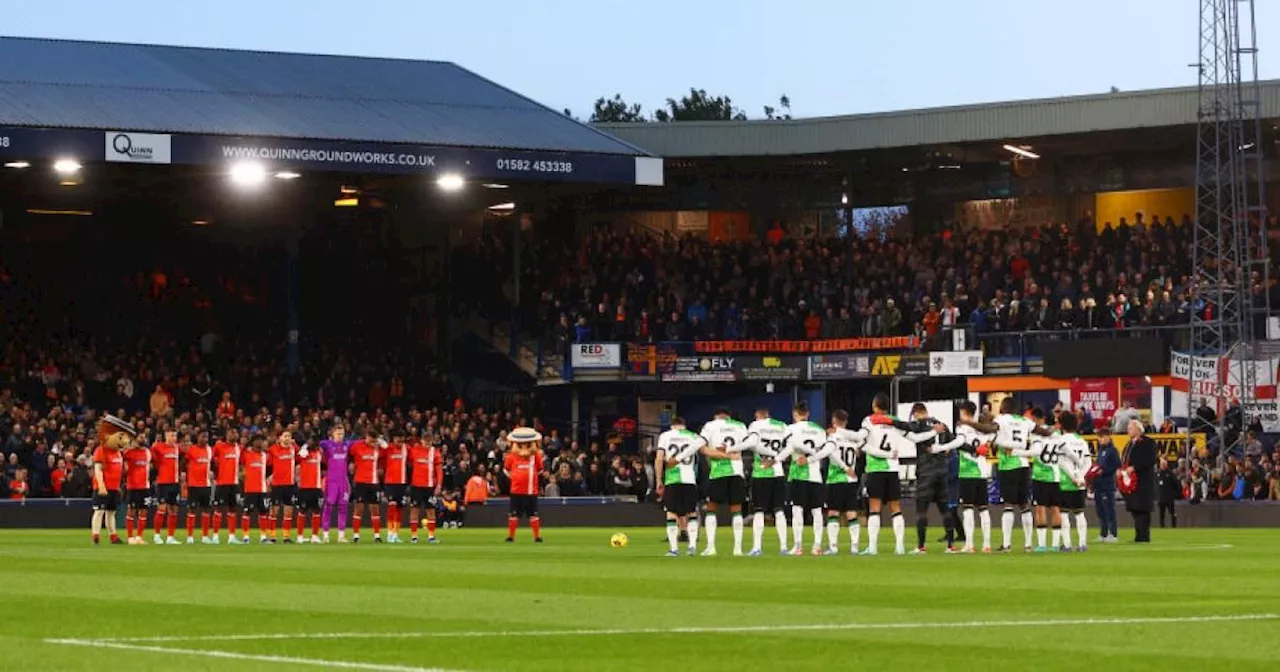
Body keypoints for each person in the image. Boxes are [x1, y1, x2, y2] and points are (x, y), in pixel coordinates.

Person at [964, 398, 1051, 552]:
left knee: (1008, 504)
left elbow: (989, 430)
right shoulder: (1025, 421)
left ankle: (1006, 544)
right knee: (1024, 505)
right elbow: (1043, 432)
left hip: (1008, 465)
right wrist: (1051, 431)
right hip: (1024, 464)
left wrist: (969, 423)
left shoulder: (1002, 419)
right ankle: (1028, 544)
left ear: (1003, 408)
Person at [860, 393, 942, 555]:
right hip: (893, 469)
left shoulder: (868, 420)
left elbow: (861, 441)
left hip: (875, 469)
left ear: (874, 406)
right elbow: (916, 438)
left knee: (874, 507)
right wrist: (934, 432)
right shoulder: (895, 421)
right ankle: (899, 546)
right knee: (895, 508)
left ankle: (873, 547)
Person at [698, 408, 749, 556]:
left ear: (716, 416)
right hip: (736, 471)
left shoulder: (710, 426)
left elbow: (703, 449)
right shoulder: (740, 426)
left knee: (711, 508)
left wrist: (721, 455)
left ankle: (711, 547)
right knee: (736, 509)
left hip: (718, 472)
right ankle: (738, 549)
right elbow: (747, 445)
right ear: (729, 416)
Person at [781, 401, 829, 555]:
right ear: (808, 414)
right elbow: (823, 451)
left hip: (798, 474)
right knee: (817, 511)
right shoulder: (820, 430)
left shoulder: (790, 429)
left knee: (797, 510)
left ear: (795, 414)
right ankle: (817, 546)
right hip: (816, 475)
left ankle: (798, 546)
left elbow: (787, 448)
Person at [907, 402, 954, 553]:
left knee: (922, 510)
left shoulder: (918, 424)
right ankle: (950, 545)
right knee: (945, 509)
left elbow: (909, 432)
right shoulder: (942, 424)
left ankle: (921, 546)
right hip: (942, 471)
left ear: (915, 413)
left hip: (925, 471)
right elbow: (951, 445)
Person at [656, 418, 703, 556]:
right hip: (689, 480)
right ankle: (692, 547)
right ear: (684, 425)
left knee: (671, 513)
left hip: (672, 480)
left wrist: (659, 480)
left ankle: (674, 549)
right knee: (691, 513)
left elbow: (659, 459)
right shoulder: (693, 436)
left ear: (672, 426)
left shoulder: (665, 436)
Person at [953, 402, 995, 553]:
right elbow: (992, 435)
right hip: (982, 472)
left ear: (964, 411)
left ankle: (969, 545)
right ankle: (987, 545)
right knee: (983, 509)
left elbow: (960, 444)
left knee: (968, 509)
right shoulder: (982, 429)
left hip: (967, 472)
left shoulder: (962, 428)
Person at [822, 410, 865, 555]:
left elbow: (832, 455)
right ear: (845, 422)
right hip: (852, 480)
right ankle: (854, 546)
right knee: (851, 512)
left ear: (834, 420)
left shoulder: (832, 437)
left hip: (836, 479)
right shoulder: (852, 439)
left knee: (833, 512)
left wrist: (844, 468)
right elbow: (860, 446)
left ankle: (833, 547)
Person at [91, 415, 136, 545]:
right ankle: (96, 535)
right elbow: (98, 470)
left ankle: (113, 536)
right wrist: (101, 486)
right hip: (103, 488)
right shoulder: (101, 451)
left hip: (114, 488)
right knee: (99, 511)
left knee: (111, 512)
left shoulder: (118, 453)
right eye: (121, 437)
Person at [1054, 413, 1092, 551]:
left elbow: (1062, 462)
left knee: (1064, 513)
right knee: (1079, 513)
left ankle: (1067, 544)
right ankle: (1082, 544)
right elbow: (1088, 462)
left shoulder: (1061, 440)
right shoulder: (1082, 441)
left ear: (1062, 425)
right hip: (1080, 483)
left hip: (1065, 482)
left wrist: (1073, 477)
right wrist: (1080, 477)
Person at [503, 427, 545, 543]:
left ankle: (537, 537)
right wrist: (513, 476)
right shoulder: (511, 456)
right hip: (516, 490)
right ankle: (511, 536)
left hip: (531, 490)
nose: (524, 445)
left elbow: (540, 470)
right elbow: (505, 470)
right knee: (514, 515)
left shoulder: (536, 455)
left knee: (533, 515)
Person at [1123, 420, 1158, 543]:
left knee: (1143, 509)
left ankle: (1144, 536)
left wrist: (1135, 467)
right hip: (1131, 482)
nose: (1128, 430)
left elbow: (1150, 459)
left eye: (1130, 427)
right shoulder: (1129, 444)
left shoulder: (1148, 442)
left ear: (1138, 429)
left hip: (1143, 481)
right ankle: (1138, 535)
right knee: (1135, 508)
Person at [319, 426, 355, 543]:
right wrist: (304, 447)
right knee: (328, 507)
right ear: (332, 434)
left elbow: (359, 443)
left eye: (342, 434)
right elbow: (314, 443)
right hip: (331, 481)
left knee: (343, 507)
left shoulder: (346, 445)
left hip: (343, 481)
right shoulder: (327, 444)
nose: (340, 436)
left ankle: (341, 536)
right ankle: (325, 535)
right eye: (338, 434)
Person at [349, 430, 384, 543]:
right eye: (371, 440)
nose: (372, 443)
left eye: (374, 441)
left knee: (375, 509)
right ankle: (356, 535)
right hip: (360, 482)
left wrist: (382, 442)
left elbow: (388, 452)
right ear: (366, 437)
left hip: (374, 482)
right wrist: (351, 465)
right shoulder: (356, 446)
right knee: (359, 508)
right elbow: (348, 454)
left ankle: (377, 535)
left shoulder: (378, 448)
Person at [408, 431, 444, 543]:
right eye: (426, 443)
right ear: (422, 441)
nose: (428, 445)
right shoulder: (414, 450)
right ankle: (414, 536)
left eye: (430, 443)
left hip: (429, 487)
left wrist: (439, 485)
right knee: (414, 511)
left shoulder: (435, 452)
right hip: (416, 486)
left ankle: (431, 536)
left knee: (431, 511)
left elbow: (439, 470)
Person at [150, 430, 182, 545]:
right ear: (166, 436)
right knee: (161, 509)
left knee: (173, 510)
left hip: (175, 483)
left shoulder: (178, 448)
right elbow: (151, 459)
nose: (174, 438)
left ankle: (170, 537)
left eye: (175, 435)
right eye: (171, 435)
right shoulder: (158, 447)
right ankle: (157, 535)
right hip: (163, 483)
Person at [211, 429, 242, 544]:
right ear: (226, 435)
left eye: (235, 433)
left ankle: (232, 536)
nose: (233, 434)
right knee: (218, 509)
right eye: (231, 433)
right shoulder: (219, 446)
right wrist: (214, 471)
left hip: (234, 483)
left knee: (233, 509)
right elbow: (211, 459)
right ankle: (215, 536)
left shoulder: (239, 448)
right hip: (222, 483)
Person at [184, 432, 215, 544]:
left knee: (206, 510)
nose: (205, 439)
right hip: (193, 485)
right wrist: (185, 474)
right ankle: (190, 536)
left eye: (206, 437)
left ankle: (205, 536)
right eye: (202, 436)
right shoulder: (191, 450)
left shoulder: (210, 450)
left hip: (206, 485)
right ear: (197, 437)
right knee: (192, 510)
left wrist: (211, 472)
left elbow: (212, 464)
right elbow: (184, 462)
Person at [267, 431, 299, 543]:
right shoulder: (273, 449)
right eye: (285, 436)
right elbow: (268, 465)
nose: (287, 438)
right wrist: (269, 478)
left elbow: (303, 456)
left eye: (289, 436)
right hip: (276, 485)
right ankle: (272, 536)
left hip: (289, 484)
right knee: (274, 511)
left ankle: (286, 537)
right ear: (280, 438)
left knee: (288, 511)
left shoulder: (294, 449)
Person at [380, 429, 410, 544]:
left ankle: (396, 534)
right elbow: (379, 454)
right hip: (390, 482)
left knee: (399, 509)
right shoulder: (388, 449)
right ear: (393, 439)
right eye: (397, 440)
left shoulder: (406, 449)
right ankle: (389, 534)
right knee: (392, 507)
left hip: (402, 483)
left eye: (401, 440)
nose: (399, 442)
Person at [122, 437, 153, 545]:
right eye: (140, 437)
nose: (142, 439)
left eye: (143, 437)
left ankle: (139, 537)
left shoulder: (148, 452)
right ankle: (130, 537)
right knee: (131, 511)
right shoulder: (129, 453)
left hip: (145, 487)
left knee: (144, 511)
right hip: (133, 487)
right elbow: (123, 465)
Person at [1092, 428, 1121, 543]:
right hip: (1098, 484)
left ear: (1108, 436)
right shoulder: (1101, 450)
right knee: (1101, 511)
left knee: (1109, 509)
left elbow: (1116, 466)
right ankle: (1103, 533)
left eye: (1102, 437)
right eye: (1099, 437)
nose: (1100, 439)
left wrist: (1103, 471)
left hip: (1107, 484)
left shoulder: (1113, 450)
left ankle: (1113, 534)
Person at [296, 435, 325, 544]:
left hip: (317, 487)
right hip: (304, 487)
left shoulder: (319, 453)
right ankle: (300, 536)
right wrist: (304, 448)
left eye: (315, 442)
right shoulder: (303, 452)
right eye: (312, 441)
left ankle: (315, 536)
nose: (313, 443)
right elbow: (298, 458)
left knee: (317, 511)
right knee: (302, 511)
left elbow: (324, 465)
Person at [1157, 456, 1180, 528]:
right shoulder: (1158, 473)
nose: (1163, 466)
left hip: (1169, 497)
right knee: (1161, 514)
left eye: (1164, 464)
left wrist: (1174, 494)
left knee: (1172, 513)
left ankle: (1174, 526)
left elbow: (1176, 484)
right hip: (1161, 498)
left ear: (1166, 465)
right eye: (1161, 464)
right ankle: (1162, 527)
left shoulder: (1170, 473)